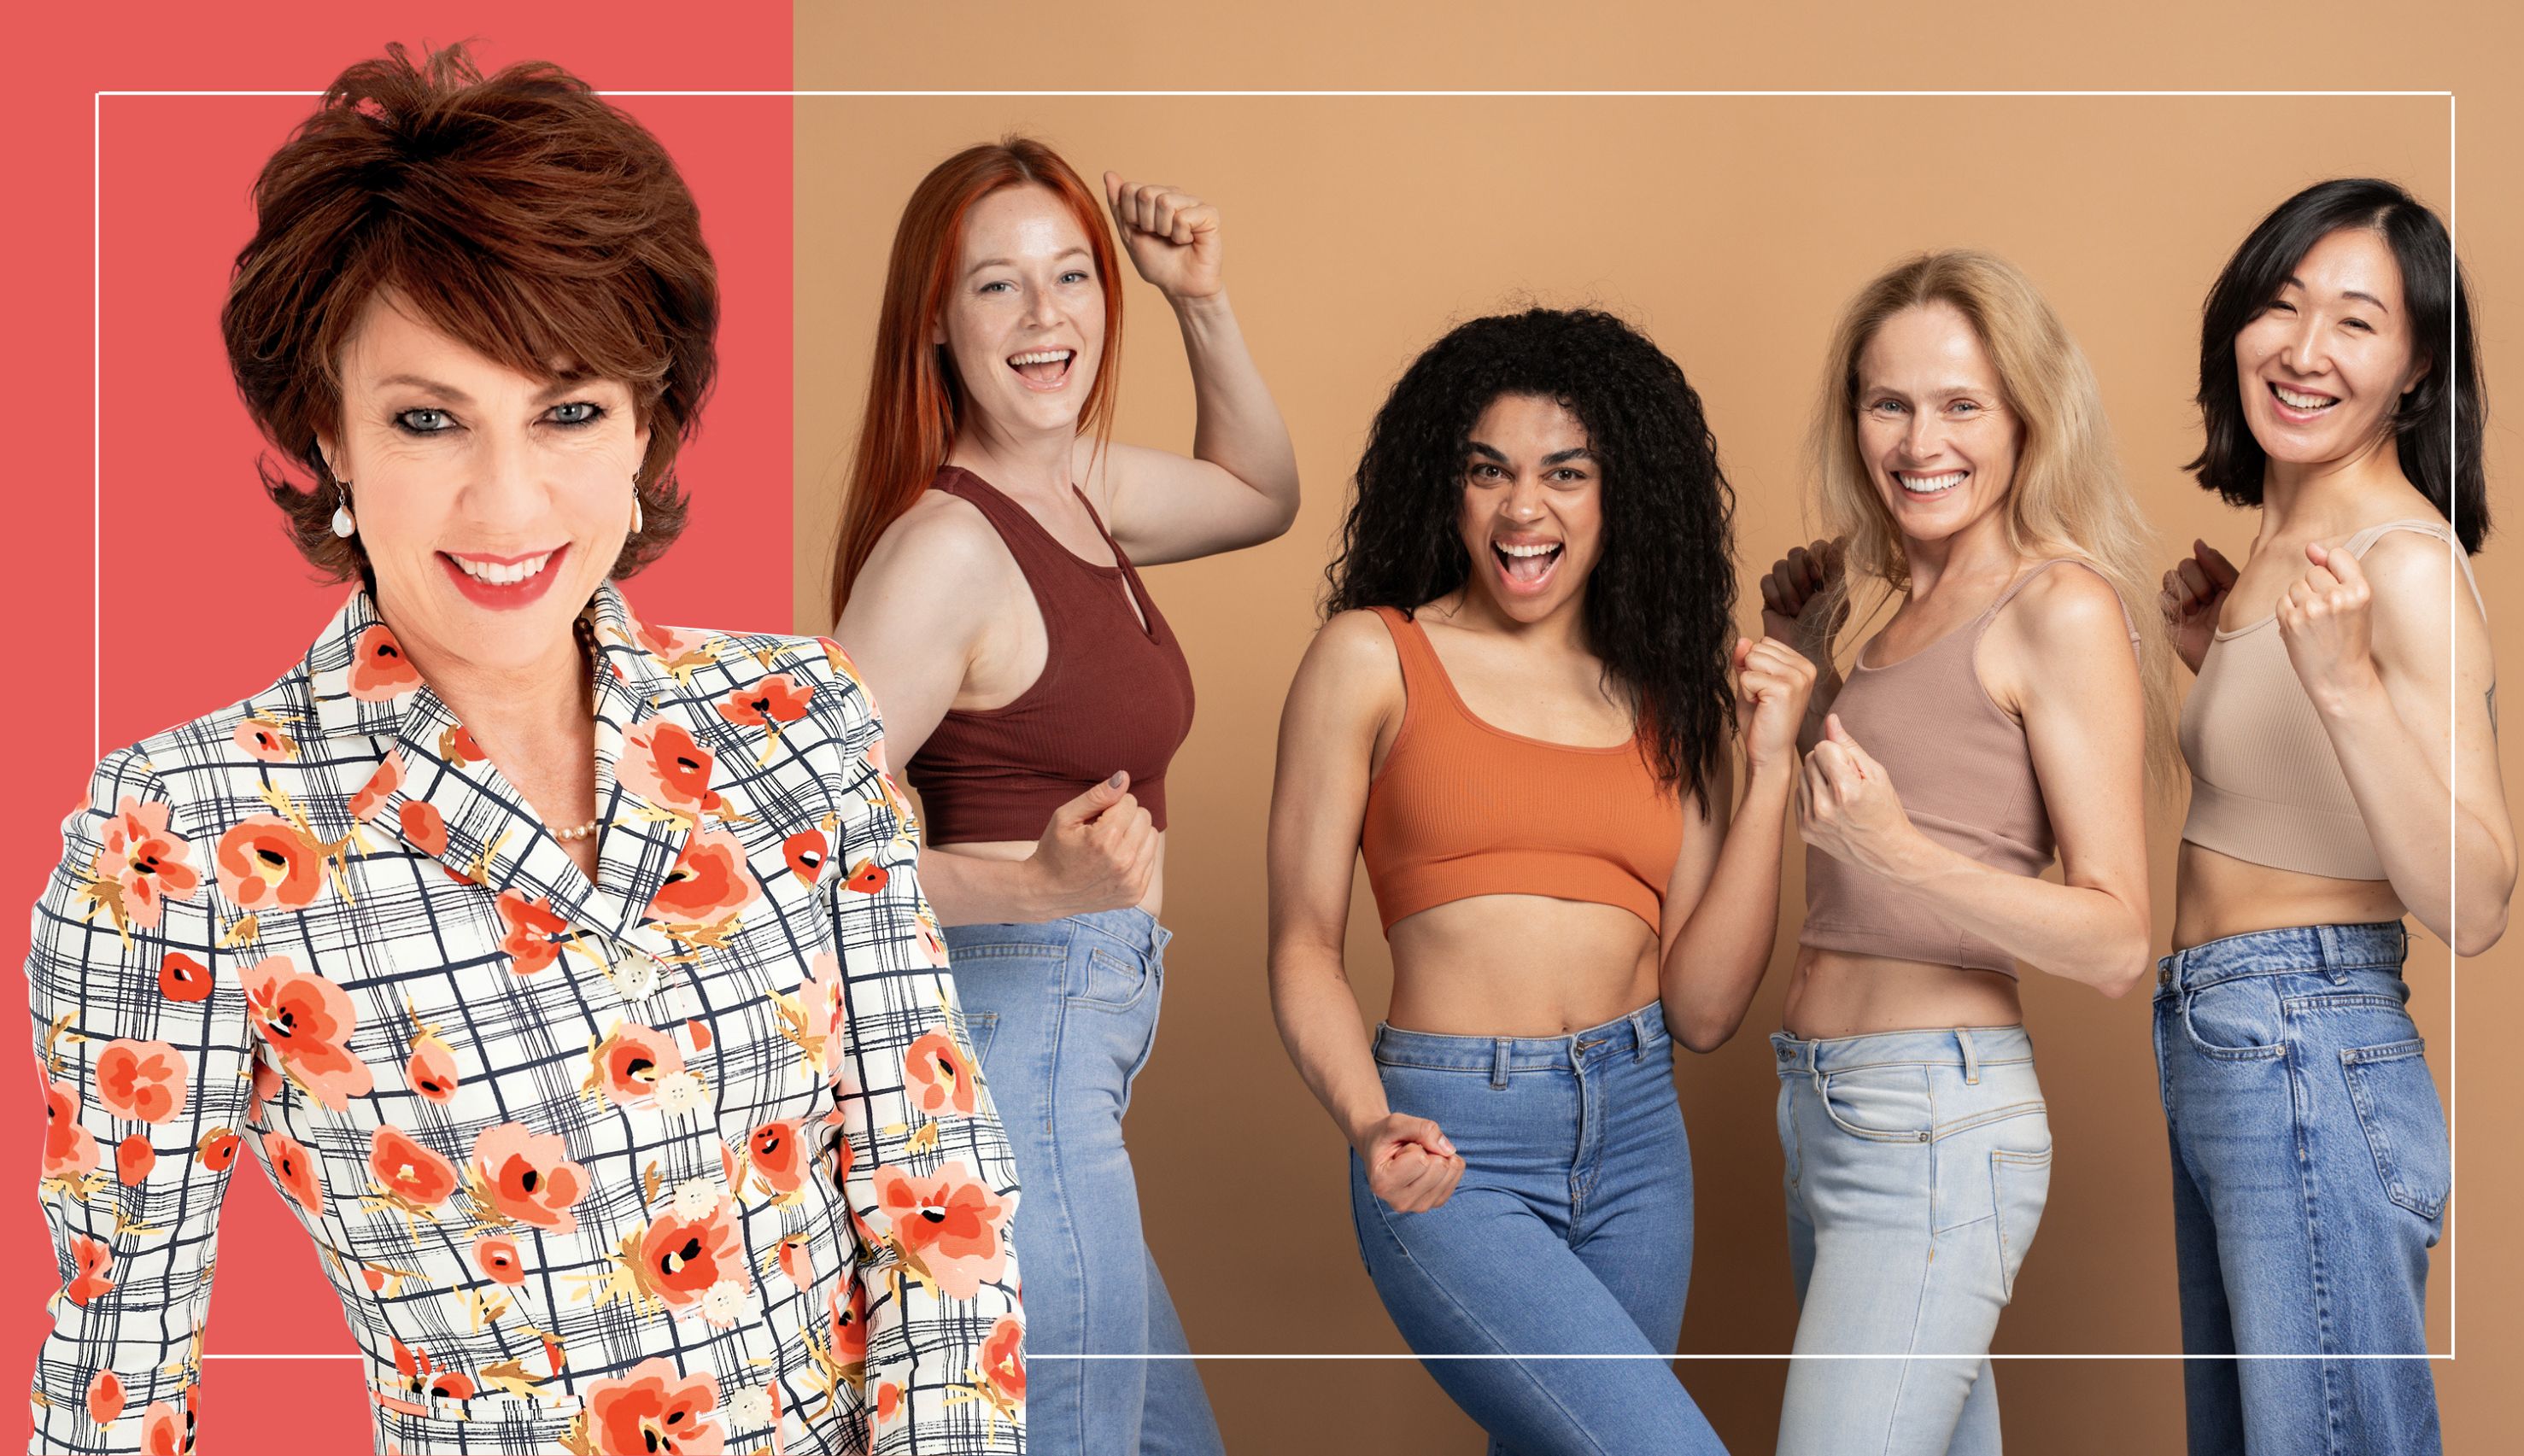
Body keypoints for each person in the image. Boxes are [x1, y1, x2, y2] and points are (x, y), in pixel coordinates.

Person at [26, 46, 1021, 1456]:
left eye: (568, 412)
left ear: (646, 429)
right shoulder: (182, 839)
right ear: (332, 433)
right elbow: (120, 1357)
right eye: (429, 418)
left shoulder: (798, 719)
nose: (508, 500)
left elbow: (942, 1204)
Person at [1268, 307, 1815, 1455]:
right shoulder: (1373, 657)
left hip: (1638, 1139)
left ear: (1622, 495)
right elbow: (1304, 946)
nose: (1525, 510)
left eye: (1566, 473)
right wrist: (1373, 1125)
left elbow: (1705, 1008)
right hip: (1451, 1136)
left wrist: (1768, 772)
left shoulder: (1668, 696)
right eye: (1490, 473)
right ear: (1446, 488)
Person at [825, 137, 1297, 1455]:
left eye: (1072, 276)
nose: (1046, 317)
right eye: (998, 286)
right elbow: (786, 852)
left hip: (1072, 1044)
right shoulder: (948, 548)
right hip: (1012, 1038)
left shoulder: (1079, 485)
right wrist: (1031, 885)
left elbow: (1263, 493)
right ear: (935, 320)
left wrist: (1201, 295)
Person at [1755, 250, 2171, 1456]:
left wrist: (1903, 850)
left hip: (1933, 1125)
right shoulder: (1889, 614)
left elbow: (2115, 937)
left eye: (1961, 405)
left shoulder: (2059, 607)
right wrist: (1808, 651)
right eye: (1889, 402)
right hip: (1824, 1112)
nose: (1919, 439)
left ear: (2025, 419)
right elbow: (1861, 856)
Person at [2152, 178, 2514, 1456]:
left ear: (2415, 372)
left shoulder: (2403, 562)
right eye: (2281, 305)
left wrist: (2347, 686)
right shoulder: (2286, 547)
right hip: (2228, 1035)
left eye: (2357, 322)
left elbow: (2475, 895)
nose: (2305, 349)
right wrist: (2222, 662)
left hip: (2305, 1037)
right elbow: (2312, 810)